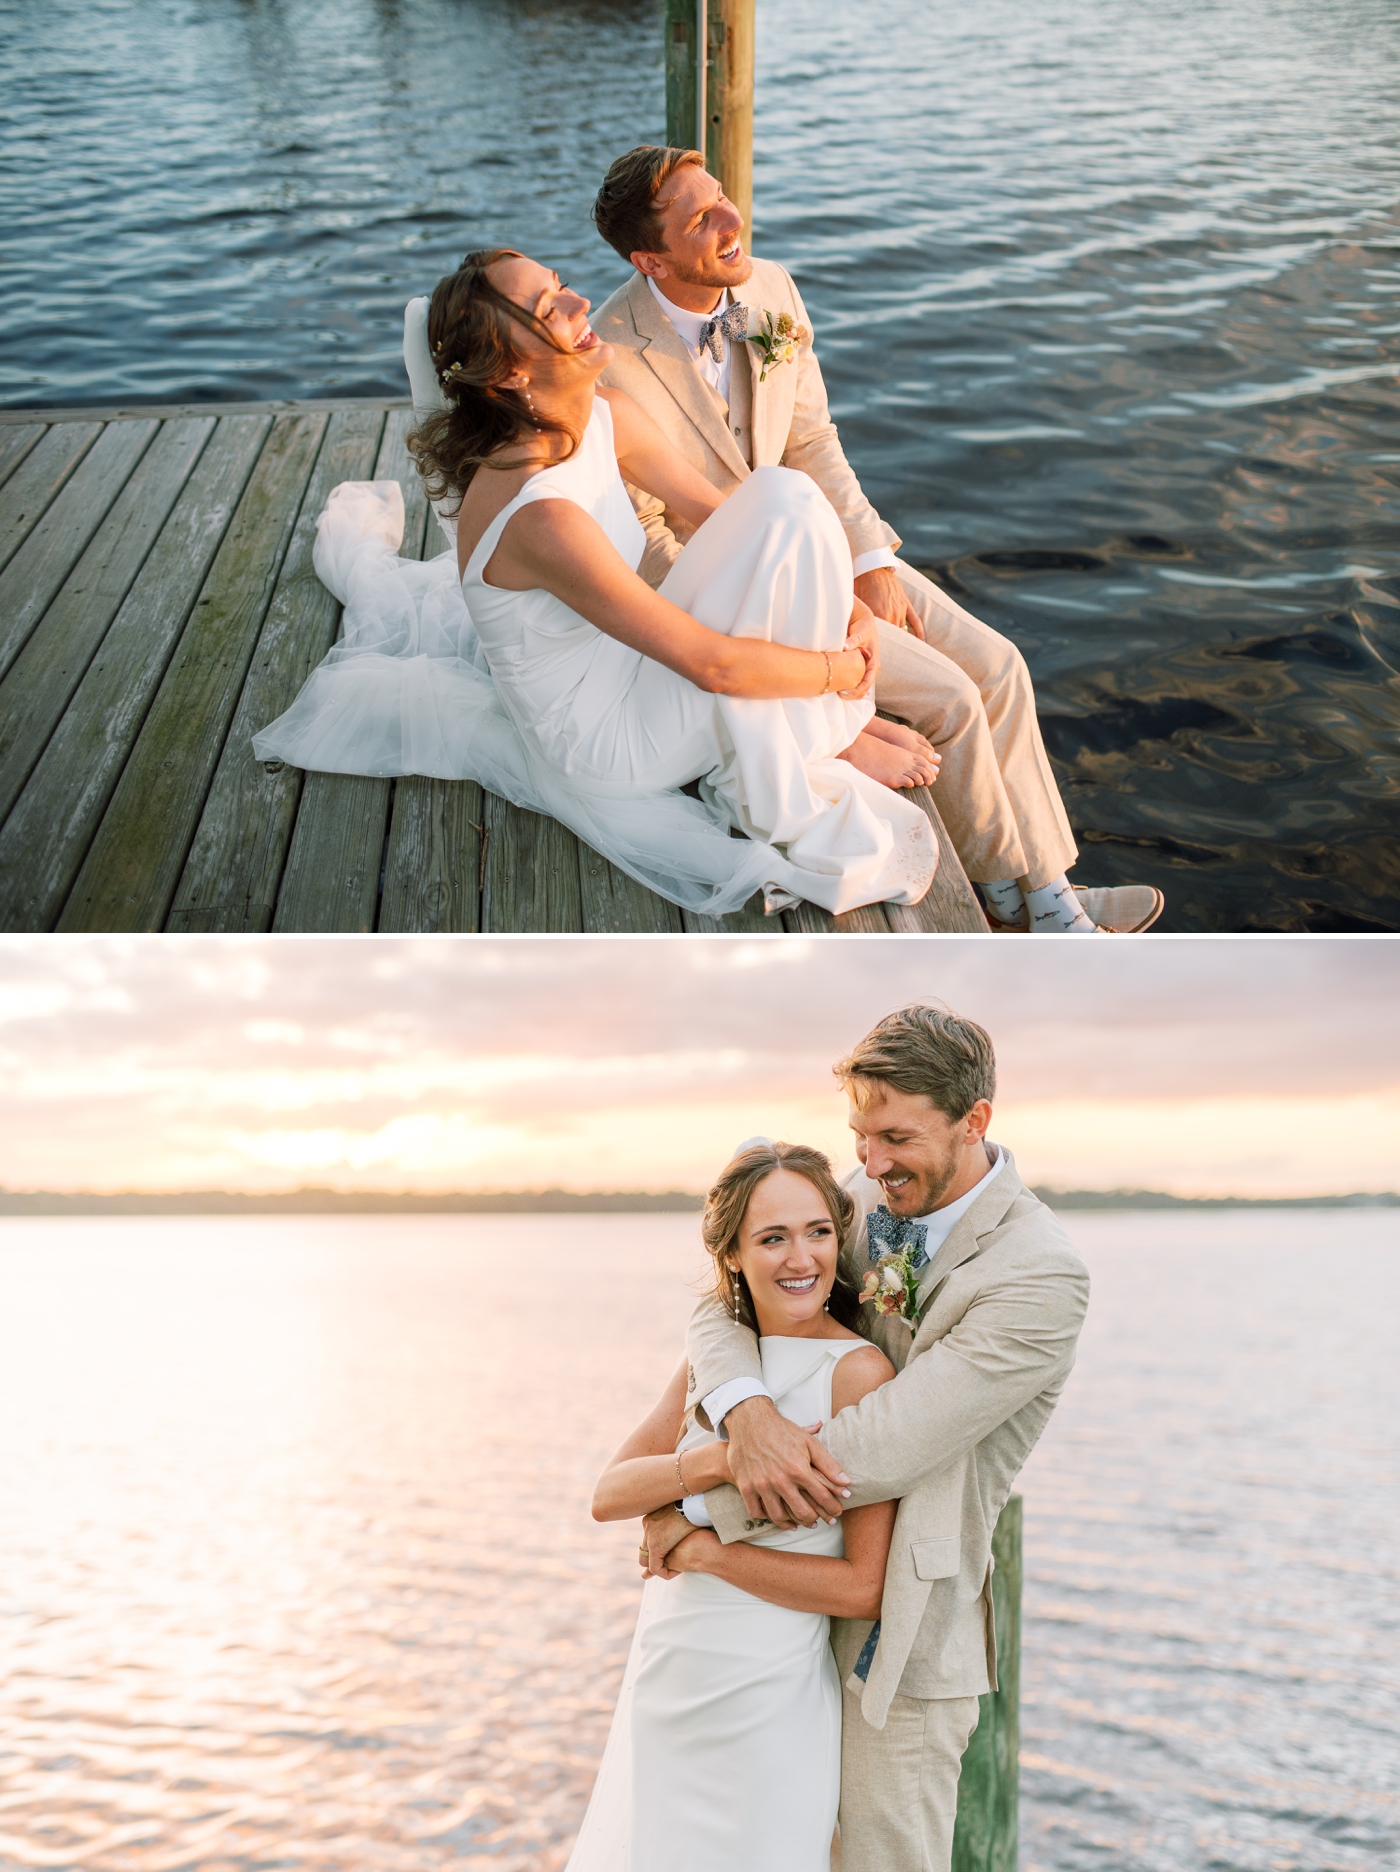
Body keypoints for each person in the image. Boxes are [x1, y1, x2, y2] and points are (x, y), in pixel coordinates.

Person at [254, 249, 938, 919]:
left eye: (562, 285)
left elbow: (727, 513)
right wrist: (838, 669)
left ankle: (824, 723)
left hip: (636, 664)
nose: (582, 302)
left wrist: (842, 594)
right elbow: (712, 664)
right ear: (512, 372)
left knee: (784, 495)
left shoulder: (599, 412)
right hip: (608, 738)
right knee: (779, 533)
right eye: (552, 307)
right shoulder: (539, 515)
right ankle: (820, 736)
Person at [591, 144, 1166, 935]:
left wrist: (867, 562)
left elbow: (811, 442)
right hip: (740, 599)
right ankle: (1039, 910)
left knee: (1001, 667)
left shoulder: (770, 287)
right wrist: (784, 621)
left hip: (828, 549)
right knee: (954, 701)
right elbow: (647, 536)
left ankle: (1035, 888)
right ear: (649, 259)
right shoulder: (610, 356)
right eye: (702, 218)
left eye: (723, 196)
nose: (734, 220)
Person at [640, 1003, 1091, 1872]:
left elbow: (872, 1451)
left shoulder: (1038, 1275)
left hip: (901, 1636)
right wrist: (747, 1411)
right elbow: (721, 1305)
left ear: (975, 1122)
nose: (869, 1162)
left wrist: (687, 1509)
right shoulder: (857, 1204)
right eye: (860, 1134)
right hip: (779, 1618)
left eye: (895, 1138)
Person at [569, 1142, 897, 1872]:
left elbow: (863, 1588)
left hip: (770, 1703)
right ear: (735, 1256)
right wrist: (720, 1458)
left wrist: (701, 1551)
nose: (800, 1258)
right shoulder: (713, 1365)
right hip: (671, 1676)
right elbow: (607, 1496)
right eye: (772, 1238)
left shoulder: (857, 1373)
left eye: (816, 1231)